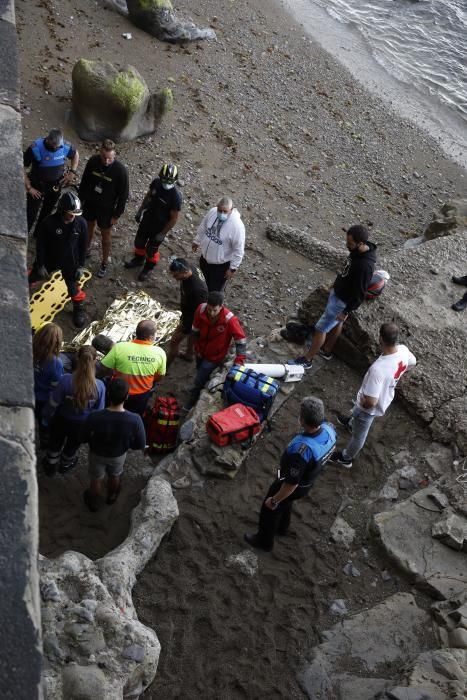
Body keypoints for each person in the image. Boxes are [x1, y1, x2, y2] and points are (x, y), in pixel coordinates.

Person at [244, 397, 336, 552]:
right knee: (286, 502)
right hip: (307, 481)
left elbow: (291, 484)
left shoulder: (302, 451)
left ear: (303, 420)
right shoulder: (329, 429)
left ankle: (264, 541)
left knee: (271, 508)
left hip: (293, 484)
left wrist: (274, 500)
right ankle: (282, 528)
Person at [330, 322, 416, 469]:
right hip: (386, 394)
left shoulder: (378, 370)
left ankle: (346, 458)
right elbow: (413, 362)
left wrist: (363, 401)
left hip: (368, 409)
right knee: (357, 416)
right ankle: (351, 424)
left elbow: (371, 402)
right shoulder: (402, 350)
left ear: (380, 339)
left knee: (359, 437)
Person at [290, 225, 377, 370]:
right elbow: (346, 270)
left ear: (361, 243)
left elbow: (359, 293)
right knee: (337, 324)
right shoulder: (357, 251)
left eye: (350, 244)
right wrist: (336, 284)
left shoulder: (365, 266)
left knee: (321, 328)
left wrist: (346, 311)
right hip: (338, 293)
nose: (347, 246)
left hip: (341, 302)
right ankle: (327, 350)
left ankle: (308, 360)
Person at [82, 379, 146, 512]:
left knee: (96, 478)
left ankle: (94, 503)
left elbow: (83, 436)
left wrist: (91, 441)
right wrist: (127, 445)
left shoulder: (95, 416)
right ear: (127, 396)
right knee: (115, 475)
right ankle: (111, 496)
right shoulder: (135, 419)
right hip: (118, 454)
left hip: (97, 453)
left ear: (108, 394)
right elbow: (140, 444)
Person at [42, 345, 106, 475]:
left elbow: (53, 403)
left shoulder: (65, 380)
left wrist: (46, 417)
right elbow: (99, 412)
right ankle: (65, 465)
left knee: (55, 442)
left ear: (77, 358)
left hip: (61, 420)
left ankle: (50, 465)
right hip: (81, 426)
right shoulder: (99, 386)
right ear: (95, 361)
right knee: (72, 446)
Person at [28, 191, 88, 328]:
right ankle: (20, 289)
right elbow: (41, 245)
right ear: (62, 210)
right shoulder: (49, 223)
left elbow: (83, 245)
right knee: (32, 276)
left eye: (75, 214)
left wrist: (81, 266)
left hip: (71, 262)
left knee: (74, 288)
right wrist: (41, 264)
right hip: (50, 259)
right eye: (70, 213)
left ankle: (78, 309)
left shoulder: (81, 224)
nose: (73, 216)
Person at [185, 291, 247, 409]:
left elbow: (240, 340)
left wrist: (239, 361)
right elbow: (195, 329)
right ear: (207, 304)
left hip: (214, 356)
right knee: (199, 370)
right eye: (209, 309)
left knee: (200, 376)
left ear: (221, 306)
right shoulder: (201, 309)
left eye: (215, 310)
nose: (211, 313)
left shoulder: (230, 320)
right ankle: (200, 387)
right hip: (200, 350)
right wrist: (194, 347)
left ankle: (192, 399)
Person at [78, 139, 129, 278]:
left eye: (110, 159)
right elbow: (84, 181)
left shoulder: (120, 171)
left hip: (106, 209)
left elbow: (123, 196)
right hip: (90, 203)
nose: (106, 161)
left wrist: (116, 215)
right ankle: (86, 249)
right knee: (88, 227)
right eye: (104, 158)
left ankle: (104, 262)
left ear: (115, 156)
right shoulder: (93, 161)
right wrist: (79, 200)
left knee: (106, 236)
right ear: (100, 153)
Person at [125, 163, 182, 282]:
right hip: (147, 220)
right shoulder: (156, 183)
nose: (166, 182)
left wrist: (162, 233)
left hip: (159, 227)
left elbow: (174, 218)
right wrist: (140, 210)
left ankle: (148, 267)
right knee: (139, 242)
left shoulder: (175, 197)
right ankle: (139, 259)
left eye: (169, 180)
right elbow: (149, 195)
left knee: (151, 250)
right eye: (165, 179)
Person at [98, 319, 166, 416]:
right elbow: (160, 377)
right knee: (136, 415)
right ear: (151, 337)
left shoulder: (120, 347)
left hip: (118, 391)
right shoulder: (160, 353)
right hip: (141, 395)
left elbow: (103, 368)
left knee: (111, 414)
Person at [24, 128, 79, 234]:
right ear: (48, 140)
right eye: (55, 145)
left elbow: (75, 154)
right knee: (31, 215)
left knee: (47, 213)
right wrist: (29, 187)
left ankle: (38, 235)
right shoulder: (35, 148)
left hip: (55, 186)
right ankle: (24, 235)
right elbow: (23, 167)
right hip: (37, 187)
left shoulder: (64, 146)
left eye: (59, 145)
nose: (57, 147)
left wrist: (72, 172)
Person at [192, 196, 245, 292]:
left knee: (214, 291)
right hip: (204, 259)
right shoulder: (212, 212)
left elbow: (239, 250)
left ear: (231, 210)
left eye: (225, 211)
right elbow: (203, 227)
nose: (221, 213)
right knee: (201, 284)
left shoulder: (237, 226)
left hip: (220, 266)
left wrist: (233, 268)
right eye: (219, 210)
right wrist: (197, 240)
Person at [166, 257, 208, 367]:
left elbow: (198, 311)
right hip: (190, 312)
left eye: (176, 275)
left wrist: (186, 326)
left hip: (192, 318)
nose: (174, 278)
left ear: (184, 272)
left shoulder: (197, 290)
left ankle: (165, 368)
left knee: (174, 342)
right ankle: (189, 355)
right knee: (192, 335)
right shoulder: (190, 267)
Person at [33, 322, 64, 447]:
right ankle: (44, 443)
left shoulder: (29, 349)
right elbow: (56, 386)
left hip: (27, 393)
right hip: (43, 400)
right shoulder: (56, 363)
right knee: (44, 423)